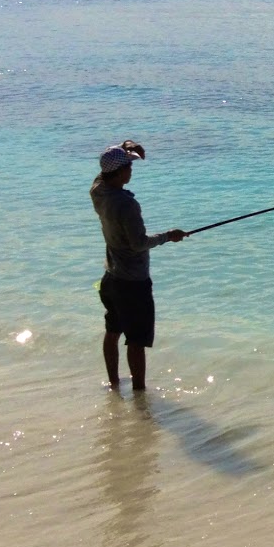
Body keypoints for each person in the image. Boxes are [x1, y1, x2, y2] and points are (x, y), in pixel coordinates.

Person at [91, 140, 184, 392]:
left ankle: (113, 383)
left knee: (113, 331)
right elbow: (139, 244)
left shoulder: (98, 191)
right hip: (133, 283)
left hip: (110, 279)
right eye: (129, 166)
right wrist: (169, 236)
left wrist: (126, 145)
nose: (131, 170)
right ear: (119, 172)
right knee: (136, 341)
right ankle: (140, 395)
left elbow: (104, 169)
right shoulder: (127, 204)